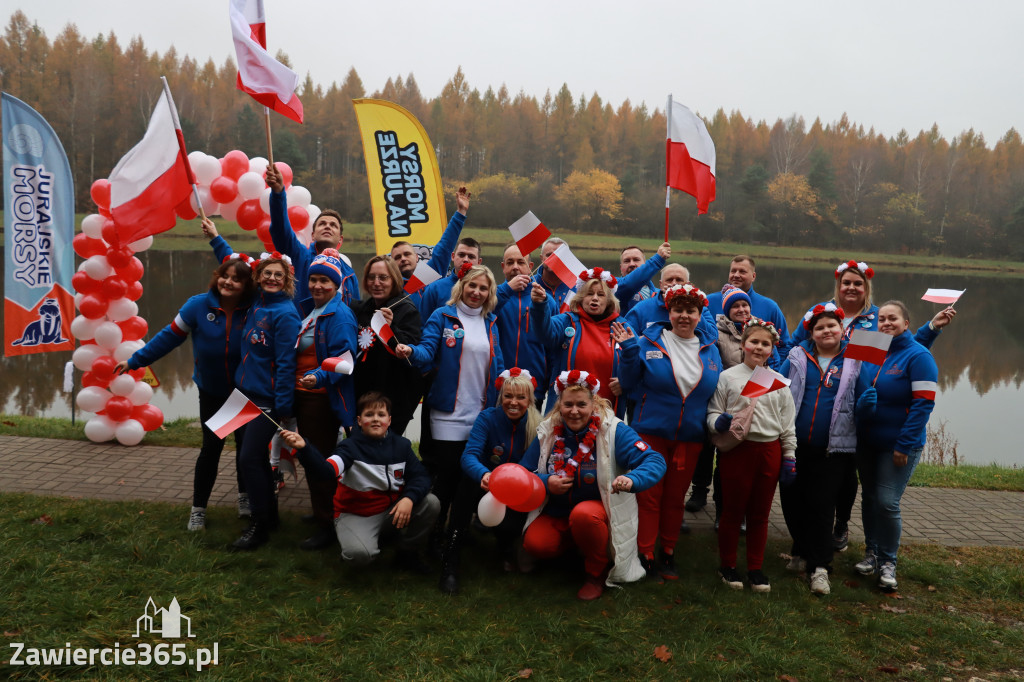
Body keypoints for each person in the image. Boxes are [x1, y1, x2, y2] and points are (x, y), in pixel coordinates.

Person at [788, 259, 955, 552]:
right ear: (838, 285)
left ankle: (841, 525)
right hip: (823, 406)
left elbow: (902, 352)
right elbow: (793, 348)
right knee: (825, 473)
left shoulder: (877, 319)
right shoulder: (820, 313)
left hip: (860, 413)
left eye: (858, 283)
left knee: (847, 475)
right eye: (846, 282)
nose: (851, 288)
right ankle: (816, 529)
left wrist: (930, 329)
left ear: (867, 288)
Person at [115, 242, 254, 531]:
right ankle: (198, 509)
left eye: (237, 278)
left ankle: (245, 498)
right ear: (217, 276)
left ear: (247, 285)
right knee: (211, 448)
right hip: (213, 391)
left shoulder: (255, 309)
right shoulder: (197, 305)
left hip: (243, 392)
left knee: (245, 449)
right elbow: (169, 337)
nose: (228, 282)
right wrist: (136, 360)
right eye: (224, 275)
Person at [520, 370, 666, 600]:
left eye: (581, 404)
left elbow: (654, 460)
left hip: (595, 513)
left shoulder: (613, 430)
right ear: (559, 405)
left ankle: (595, 573)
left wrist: (633, 479)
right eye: (568, 404)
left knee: (584, 516)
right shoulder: (549, 430)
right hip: (557, 512)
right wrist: (547, 482)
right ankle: (577, 550)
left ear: (594, 403)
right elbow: (524, 472)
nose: (574, 411)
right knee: (536, 544)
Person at [615, 284, 721, 580]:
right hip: (651, 434)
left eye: (690, 311)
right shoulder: (649, 342)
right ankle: (646, 553)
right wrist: (628, 353)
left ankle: (669, 552)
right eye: (678, 310)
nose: (684, 316)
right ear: (669, 312)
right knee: (649, 495)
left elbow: (714, 393)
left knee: (675, 498)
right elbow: (627, 382)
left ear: (700, 315)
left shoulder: (710, 350)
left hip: (689, 438)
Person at [396, 264, 504, 549]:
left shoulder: (491, 322)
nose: (477, 292)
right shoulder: (442, 316)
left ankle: (457, 537)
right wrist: (410, 351)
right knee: (445, 479)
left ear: (490, 293)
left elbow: (499, 365)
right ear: (461, 286)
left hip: (480, 416)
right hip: (447, 414)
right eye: (472, 285)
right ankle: (432, 535)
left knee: (468, 481)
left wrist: (510, 382)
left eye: (483, 288)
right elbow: (427, 351)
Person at [279, 392, 439, 571]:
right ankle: (358, 538)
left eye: (381, 415)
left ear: (390, 420)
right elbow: (326, 471)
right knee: (359, 556)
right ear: (360, 420)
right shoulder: (349, 448)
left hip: (391, 509)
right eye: (369, 415)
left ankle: (407, 552)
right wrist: (305, 448)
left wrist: (408, 499)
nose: (376, 419)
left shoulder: (402, 445)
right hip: (357, 513)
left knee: (431, 503)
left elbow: (421, 477)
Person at [853, 300, 938, 592]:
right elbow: (855, 386)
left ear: (906, 324)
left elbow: (923, 404)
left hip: (899, 445)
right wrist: (861, 409)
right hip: (867, 442)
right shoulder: (872, 349)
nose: (886, 323)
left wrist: (905, 444)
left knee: (887, 502)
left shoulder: (919, 356)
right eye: (882, 319)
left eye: (893, 319)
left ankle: (889, 561)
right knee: (869, 498)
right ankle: (871, 552)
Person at [707, 318, 796, 593]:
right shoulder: (727, 377)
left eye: (765, 344)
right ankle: (728, 565)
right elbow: (712, 411)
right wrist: (716, 422)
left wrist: (789, 455)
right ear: (743, 344)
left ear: (772, 349)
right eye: (754, 342)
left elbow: (787, 423)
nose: (758, 347)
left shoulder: (779, 382)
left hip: (769, 451)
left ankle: (756, 568)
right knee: (733, 512)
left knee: (760, 514)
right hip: (737, 451)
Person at [779, 303, 860, 595]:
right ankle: (800, 550)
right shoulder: (797, 356)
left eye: (832, 326)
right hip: (795, 446)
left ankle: (820, 568)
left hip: (834, 449)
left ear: (842, 329)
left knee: (822, 507)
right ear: (811, 333)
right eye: (819, 327)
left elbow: (892, 355)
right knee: (792, 501)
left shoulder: (857, 356)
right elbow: (777, 385)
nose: (827, 331)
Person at [439, 368, 541, 595]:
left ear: (530, 400)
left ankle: (505, 546)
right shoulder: (487, 417)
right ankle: (451, 562)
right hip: (484, 484)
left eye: (521, 397)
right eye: (508, 396)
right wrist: (485, 474)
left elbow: (530, 466)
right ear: (500, 397)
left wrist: (508, 484)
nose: (513, 402)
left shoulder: (538, 426)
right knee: (465, 485)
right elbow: (469, 456)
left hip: (515, 489)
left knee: (511, 525)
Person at [230, 252, 302, 550]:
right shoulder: (257, 303)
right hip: (242, 393)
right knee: (252, 459)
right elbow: (230, 267)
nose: (272, 278)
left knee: (249, 459)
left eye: (278, 275)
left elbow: (287, 363)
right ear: (259, 277)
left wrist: (284, 406)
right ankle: (269, 516)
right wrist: (215, 238)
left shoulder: (286, 314)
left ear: (286, 281)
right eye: (267, 274)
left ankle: (259, 526)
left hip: (266, 399)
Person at [291, 248, 359, 550]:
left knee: (318, 461)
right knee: (312, 460)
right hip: (304, 397)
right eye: (314, 279)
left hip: (320, 400)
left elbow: (345, 358)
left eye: (325, 281)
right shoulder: (315, 309)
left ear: (337, 285)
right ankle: (323, 513)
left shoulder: (340, 315)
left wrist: (319, 375)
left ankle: (327, 526)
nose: (318, 285)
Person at [685, 284, 754, 522]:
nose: (742, 309)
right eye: (735, 306)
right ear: (727, 310)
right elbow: (711, 359)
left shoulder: (759, 330)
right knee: (707, 447)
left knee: (732, 454)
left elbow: (771, 360)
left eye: (745, 305)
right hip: (719, 395)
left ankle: (725, 507)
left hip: (747, 400)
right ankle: (700, 490)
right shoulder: (716, 331)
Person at [530, 268, 630, 415]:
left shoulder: (621, 327)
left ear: (609, 300)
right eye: (590, 294)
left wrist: (625, 381)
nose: (594, 298)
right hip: (566, 412)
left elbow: (637, 363)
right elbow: (544, 333)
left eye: (600, 295)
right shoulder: (567, 321)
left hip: (606, 413)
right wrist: (539, 306)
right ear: (581, 298)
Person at [349, 255, 422, 436]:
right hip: (363, 394)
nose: (376, 282)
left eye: (383, 277)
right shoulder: (360, 309)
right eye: (371, 277)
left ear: (394, 280)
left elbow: (409, 355)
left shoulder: (406, 310)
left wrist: (391, 328)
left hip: (393, 398)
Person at [265, 165, 359, 304]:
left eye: (333, 225)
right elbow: (281, 229)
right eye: (322, 224)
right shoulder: (299, 255)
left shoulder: (349, 274)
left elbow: (356, 310)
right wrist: (278, 194)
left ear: (340, 239)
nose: (327, 226)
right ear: (313, 235)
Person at [493, 244, 556, 406]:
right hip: (498, 384)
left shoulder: (546, 299)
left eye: (520, 262)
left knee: (531, 430)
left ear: (530, 267)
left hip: (535, 385)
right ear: (503, 267)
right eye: (510, 262)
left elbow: (554, 346)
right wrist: (507, 290)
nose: (515, 267)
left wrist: (548, 380)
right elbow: (482, 317)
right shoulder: (491, 296)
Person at [390, 187, 471, 309]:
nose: (403, 259)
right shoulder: (390, 288)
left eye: (407, 254)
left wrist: (460, 213)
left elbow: (444, 249)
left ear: (417, 257)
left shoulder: (426, 276)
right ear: (392, 263)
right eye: (397, 257)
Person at [706, 255, 791, 363]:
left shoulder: (770, 307)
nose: (736, 275)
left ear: (753, 276)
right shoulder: (709, 302)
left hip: (760, 375)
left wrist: (775, 372)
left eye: (742, 272)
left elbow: (784, 346)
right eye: (733, 271)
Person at [416, 237, 483, 320]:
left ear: (479, 262)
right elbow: (423, 326)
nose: (465, 260)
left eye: (471, 256)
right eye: (461, 255)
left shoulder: (485, 291)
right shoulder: (434, 289)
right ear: (453, 256)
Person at [618, 245, 656, 314]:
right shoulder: (613, 289)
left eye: (636, 260)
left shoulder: (659, 294)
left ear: (645, 264)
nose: (632, 264)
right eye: (627, 261)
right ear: (621, 268)